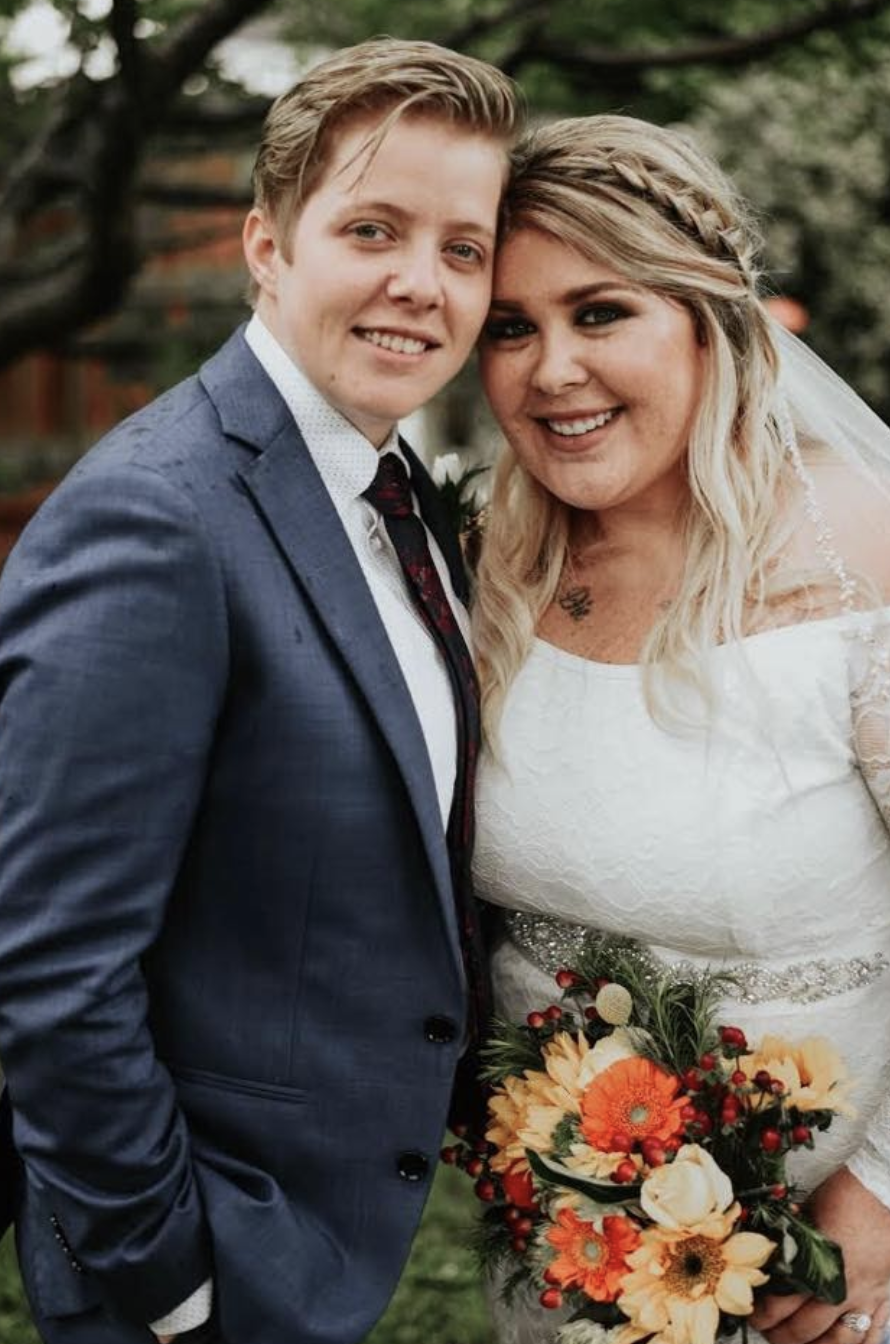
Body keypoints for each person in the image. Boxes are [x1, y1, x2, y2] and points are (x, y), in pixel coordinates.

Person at [0, 37, 520, 1344]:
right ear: (266, 247)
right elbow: (49, 964)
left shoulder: (395, 494)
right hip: (199, 1269)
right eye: (372, 229)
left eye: (462, 248)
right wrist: (175, 1280)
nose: (420, 284)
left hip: (330, 1236)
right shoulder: (154, 518)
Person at [471, 115, 890, 1344]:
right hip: (564, 1239)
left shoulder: (856, 550)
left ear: (708, 318)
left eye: (599, 312)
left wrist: (877, 1195)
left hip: (828, 1261)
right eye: (509, 326)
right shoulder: (490, 567)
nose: (551, 370)